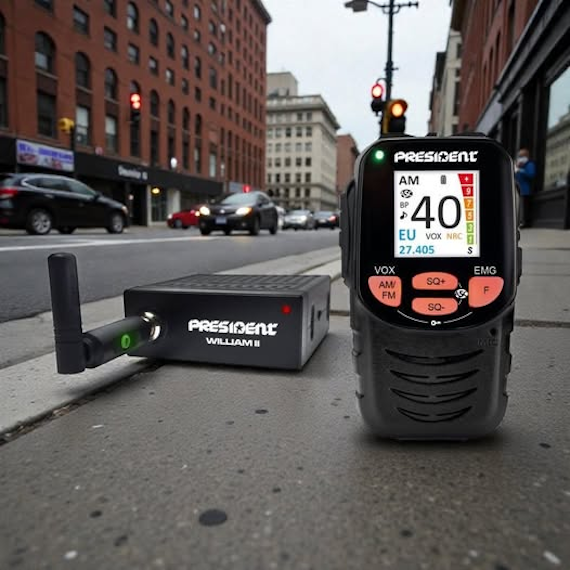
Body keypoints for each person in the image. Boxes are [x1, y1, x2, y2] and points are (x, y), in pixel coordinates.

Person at [514, 148, 536, 228]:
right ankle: (519, 221)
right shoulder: (519, 165)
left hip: (526, 190)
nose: (520, 158)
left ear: (526, 156)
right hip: (518, 190)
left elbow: (531, 174)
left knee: (525, 208)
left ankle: (526, 223)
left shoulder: (530, 164)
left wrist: (520, 170)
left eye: (521, 156)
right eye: (519, 156)